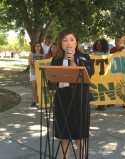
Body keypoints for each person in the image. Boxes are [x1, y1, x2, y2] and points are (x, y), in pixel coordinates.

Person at [51, 29, 93, 159]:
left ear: (76, 42)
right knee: (64, 138)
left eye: (71, 39)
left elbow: (88, 75)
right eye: (65, 40)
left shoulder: (84, 57)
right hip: (62, 100)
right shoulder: (56, 60)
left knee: (80, 138)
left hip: (79, 101)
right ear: (61, 44)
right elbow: (51, 82)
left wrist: (73, 61)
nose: (68, 43)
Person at [92, 38, 109, 111]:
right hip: (96, 74)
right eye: (97, 44)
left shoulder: (106, 54)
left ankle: (103, 104)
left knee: (103, 89)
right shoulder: (93, 54)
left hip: (103, 74)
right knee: (98, 89)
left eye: (100, 44)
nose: (98, 46)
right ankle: (99, 104)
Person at [28, 42, 44, 107]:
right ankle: (34, 101)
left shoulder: (43, 55)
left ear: (40, 47)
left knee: (40, 87)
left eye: (39, 46)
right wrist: (35, 70)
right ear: (34, 47)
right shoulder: (31, 54)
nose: (37, 47)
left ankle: (40, 100)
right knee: (34, 87)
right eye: (36, 46)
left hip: (40, 73)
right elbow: (30, 64)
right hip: (33, 73)